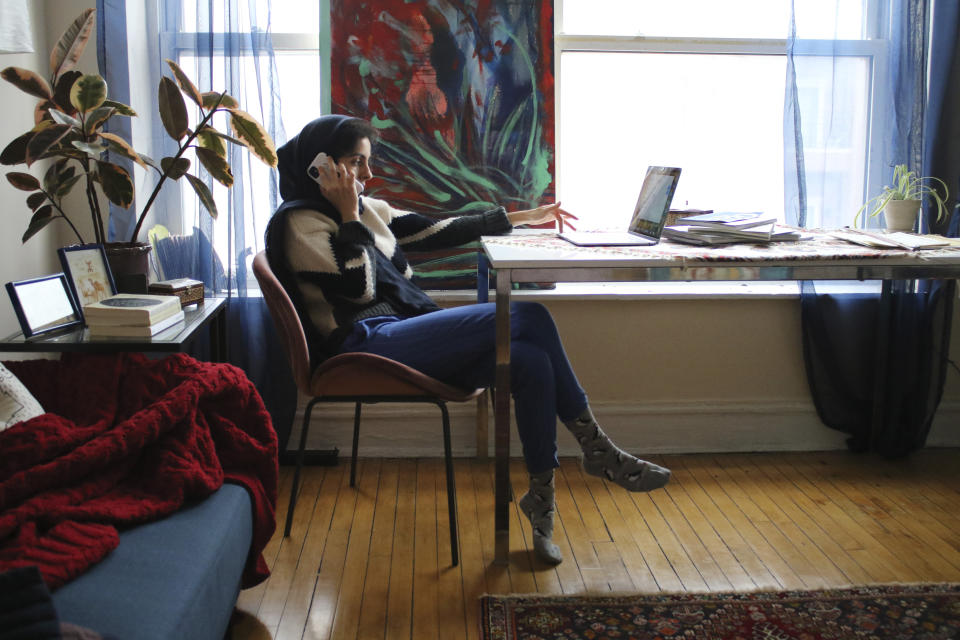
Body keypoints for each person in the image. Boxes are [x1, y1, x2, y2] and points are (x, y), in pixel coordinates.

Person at [265, 114, 670, 565]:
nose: (367, 175)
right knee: (530, 315)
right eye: (356, 164)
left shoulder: (369, 210)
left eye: (368, 164)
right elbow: (358, 288)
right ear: (320, 166)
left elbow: (441, 229)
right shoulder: (300, 224)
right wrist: (346, 215)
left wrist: (523, 217)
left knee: (529, 360)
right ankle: (597, 448)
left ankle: (541, 499)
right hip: (361, 348)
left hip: (399, 335)